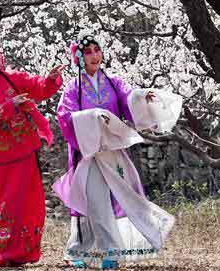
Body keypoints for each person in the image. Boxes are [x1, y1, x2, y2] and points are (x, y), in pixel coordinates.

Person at [53, 34, 182, 269]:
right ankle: (91, 251)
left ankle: (111, 250)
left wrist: (143, 97)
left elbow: (129, 98)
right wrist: (91, 117)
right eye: (88, 52)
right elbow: (64, 117)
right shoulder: (73, 88)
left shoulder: (113, 81)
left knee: (126, 198)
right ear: (79, 58)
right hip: (89, 154)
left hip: (113, 152)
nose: (94, 55)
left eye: (96, 50)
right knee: (94, 202)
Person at [0, 19, 67, 267]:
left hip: (25, 152)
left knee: (29, 204)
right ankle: (2, 254)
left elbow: (40, 88)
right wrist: (11, 106)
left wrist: (51, 79)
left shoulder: (13, 78)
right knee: (5, 205)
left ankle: (23, 253)